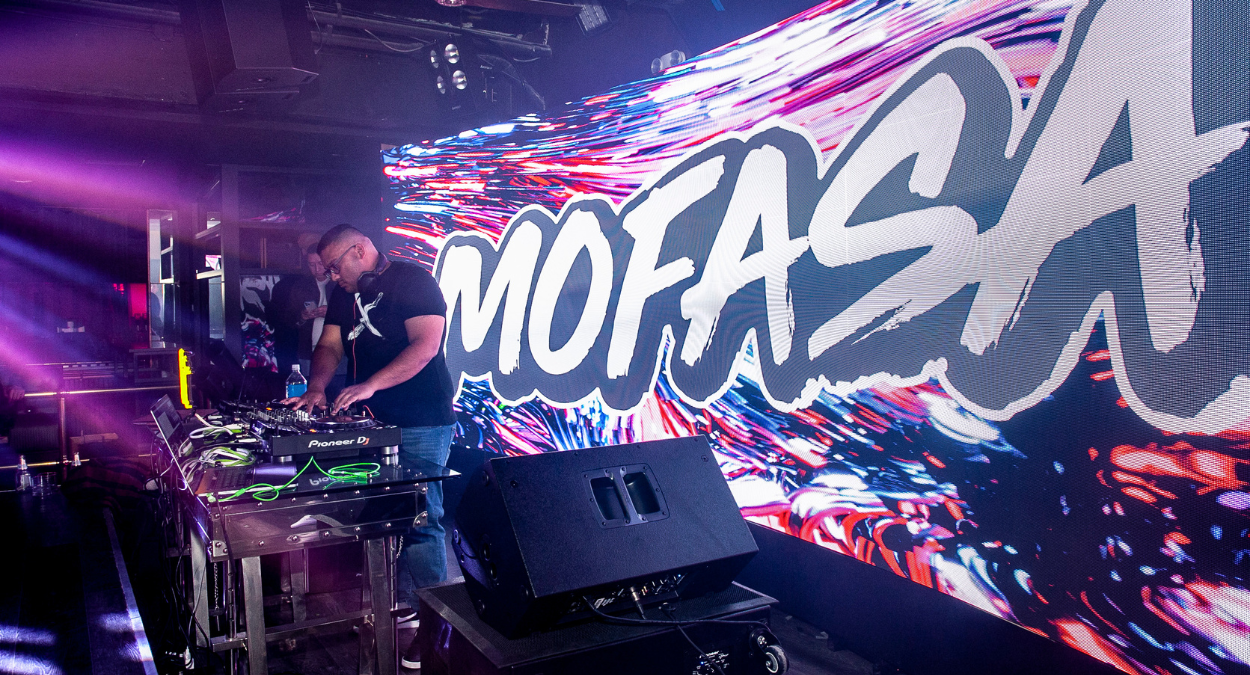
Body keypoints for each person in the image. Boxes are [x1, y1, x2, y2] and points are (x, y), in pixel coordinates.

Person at [283, 224, 456, 671]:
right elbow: (329, 344)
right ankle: (406, 606)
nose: (331, 276)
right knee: (385, 517)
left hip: (421, 418)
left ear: (359, 251)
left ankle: (435, 629)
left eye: (334, 266)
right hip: (373, 422)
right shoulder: (344, 295)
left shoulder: (413, 281)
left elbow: (426, 345)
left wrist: (370, 385)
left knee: (421, 518)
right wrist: (317, 387)